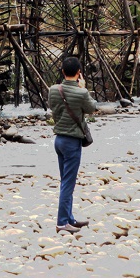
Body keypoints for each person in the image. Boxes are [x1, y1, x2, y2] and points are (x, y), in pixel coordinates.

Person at [47, 56, 97, 234]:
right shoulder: (81, 92)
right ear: (79, 73)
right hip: (71, 141)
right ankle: (62, 223)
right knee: (68, 184)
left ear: (62, 72)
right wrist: (82, 88)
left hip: (58, 140)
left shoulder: (53, 90)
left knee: (64, 181)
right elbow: (92, 108)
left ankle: (69, 218)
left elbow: (52, 106)